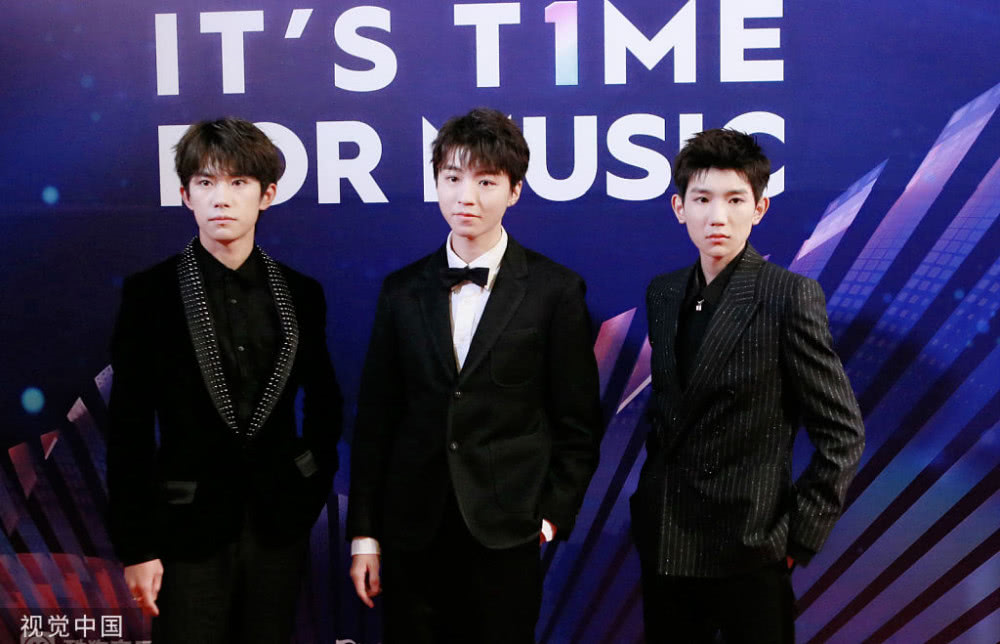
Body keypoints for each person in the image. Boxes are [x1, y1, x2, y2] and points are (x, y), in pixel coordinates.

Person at [346, 107, 603, 643]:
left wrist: (551, 516)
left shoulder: (555, 290)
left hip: (507, 531)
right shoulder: (401, 291)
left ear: (514, 191)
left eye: (486, 181)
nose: (467, 196)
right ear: (437, 183)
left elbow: (577, 420)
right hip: (411, 531)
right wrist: (365, 534)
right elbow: (376, 420)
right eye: (453, 178)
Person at [106, 117, 342, 643]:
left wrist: (309, 481)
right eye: (206, 182)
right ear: (186, 195)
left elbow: (326, 403)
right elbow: (128, 427)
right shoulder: (150, 294)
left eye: (238, 182)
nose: (221, 198)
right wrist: (137, 545)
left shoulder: (302, 292)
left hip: (279, 525)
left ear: (267, 195)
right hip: (184, 528)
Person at [632, 128, 865, 643]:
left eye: (735, 200)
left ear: (759, 209)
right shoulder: (663, 293)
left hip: (751, 548)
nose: (718, 216)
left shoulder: (788, 295)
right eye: (702, 199)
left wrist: (795, 539)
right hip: (667, 541)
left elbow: (842, 433)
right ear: (679, 207)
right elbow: (667, 414)